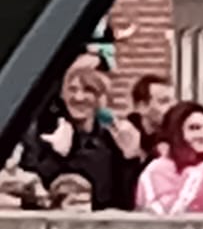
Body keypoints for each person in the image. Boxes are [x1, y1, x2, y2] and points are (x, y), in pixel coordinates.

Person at [21, 60, 143, 210]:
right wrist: (56, 157)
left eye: (88, 90)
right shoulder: (42, 133)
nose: (79, 97)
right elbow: (29, 196)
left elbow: (125, 204)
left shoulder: (110, 141)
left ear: (100, 97)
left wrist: (130, 160)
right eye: (72, 89)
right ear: (62, 94)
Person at [130, 74, 177, 158]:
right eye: (164, 101)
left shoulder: (179, 138)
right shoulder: (119, 140)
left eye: (174, 101)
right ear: (142, 107)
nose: (173, 106)